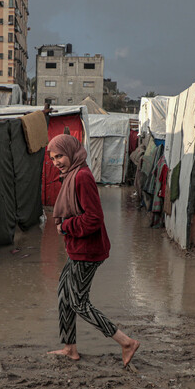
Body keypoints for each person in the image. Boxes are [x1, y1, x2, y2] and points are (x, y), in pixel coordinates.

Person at [46, 134, 140, 367]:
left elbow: (94, 218)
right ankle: (70, 348)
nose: (56, 162)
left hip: (87, 250)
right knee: (64, 295)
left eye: (60, 156)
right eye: (53, 158)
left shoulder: (82, 177)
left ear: (71, 152)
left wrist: (65, 226)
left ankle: (126, 342)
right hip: (77, 247)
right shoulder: (72, 174)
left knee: (79, 302)